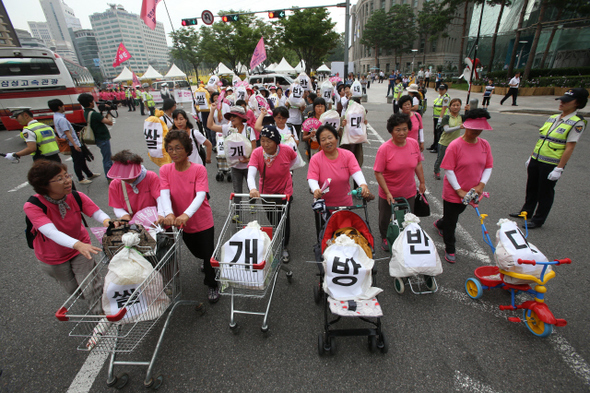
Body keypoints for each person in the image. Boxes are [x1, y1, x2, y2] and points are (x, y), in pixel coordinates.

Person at [24, 160, 114, 313]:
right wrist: (77, 244)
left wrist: (107, 221)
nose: (67, 181)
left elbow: (95, 212)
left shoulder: (75, 196)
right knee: (73, 288)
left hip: (81, 248)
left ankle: (105, 318)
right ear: (44, 185)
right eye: (59, 178)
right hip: (53, 255)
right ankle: (98, 303)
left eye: (66, 175)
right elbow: (50, 232)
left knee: (91, 286)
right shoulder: (33, 205)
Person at [509, 88, 588, 229]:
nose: (562, 103)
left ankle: (538, 219)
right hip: (537, 158)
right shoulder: (553, 117)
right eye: (562, 99)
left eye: (567, 101)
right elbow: (542, 139)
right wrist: (531, 156)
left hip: (551, 163)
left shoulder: (577, 122)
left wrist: (559, 168)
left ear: (578, 103)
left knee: (545, 192)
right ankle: (526, 211)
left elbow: (569, 147)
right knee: (531, 187)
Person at [158, 130, 219, 303]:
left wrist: (186, 214)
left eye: (178, 148)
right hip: (180, 222)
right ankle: (210, 261)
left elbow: (201, 195)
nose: (174, 152)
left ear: (187, 150)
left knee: (207, 255)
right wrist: (169, 213)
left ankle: (212, 284)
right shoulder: (165, 170)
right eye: (170, 149)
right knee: (197, 252)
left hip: (202, 220)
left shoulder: (198, 170)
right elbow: (164, 193)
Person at [434, 109, 493, 263]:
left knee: (456, 213)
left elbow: (488, 166)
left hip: (473, 191)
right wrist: (459, 190)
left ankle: (441, 223)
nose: (477, 132)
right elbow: (448, 169)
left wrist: (481, 185)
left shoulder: (485, 145)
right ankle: (450, 247)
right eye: (474, 128)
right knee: (452, 222)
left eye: (480, 129)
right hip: (454, 192)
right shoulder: (455, 145)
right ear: (466, 126)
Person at [374, 113, 426, 250]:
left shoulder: (413, 144)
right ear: (391, 131)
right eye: (398, 129)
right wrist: (387, 193)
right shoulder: (384, 149)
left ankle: (404, 236)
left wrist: (422, 182)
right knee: (385, 218)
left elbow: (418, 164)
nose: (402, 133)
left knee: (407, 216)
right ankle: (385, 237)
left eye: (404, 129)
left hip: (408, 190)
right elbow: (378, 173)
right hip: (389, 192)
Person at [308, 124, 371, 236]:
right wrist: (316, 189)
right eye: (323, 139)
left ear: (336, 138)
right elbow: (312, 178)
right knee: (326, 237)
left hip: (344, 205)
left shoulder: (348, 155)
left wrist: (363, 185)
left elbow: (356, 172)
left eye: (330, 137)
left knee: (345, 236)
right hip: (324, 206)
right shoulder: (316, 159)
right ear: (319, 142)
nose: (327, 142)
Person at [247, 126, 297, 261]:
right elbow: (251, 174)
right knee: (273, 218)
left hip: (284, 191)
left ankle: (284, 246)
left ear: (276, 141)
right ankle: (278, 235)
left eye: (269, 141)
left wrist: (288, 171)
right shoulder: (257, 153)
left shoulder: (286, 150)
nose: (265, 144)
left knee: (284, 219)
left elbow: (294, 161)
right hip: (266, 193)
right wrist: (252, 188)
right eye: (262, 141)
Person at [207, 104, 257, 210]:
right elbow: (210, 126)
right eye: (230, 116)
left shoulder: (248, 130)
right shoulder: (227, 128)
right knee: (237, 190)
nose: (232, 118)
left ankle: (252, 204)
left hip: (248, 166)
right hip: (235, 167)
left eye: (235, 116)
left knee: (250, 186)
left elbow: (254, 148)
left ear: (241, 118)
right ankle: (237, 214)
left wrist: (248, 160)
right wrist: (212, 110)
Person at [49, 99, 99, 184]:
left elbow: (56, 130)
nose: (64, 107)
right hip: (72, 143)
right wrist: (75, 145)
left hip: (72, 142)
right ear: (59, 107)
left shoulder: (56, 116)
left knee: (82, 158)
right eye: (62, 105)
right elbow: (67, 133)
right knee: (77, 161)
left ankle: (89, 174)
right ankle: (81, 178)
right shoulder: (61, 119)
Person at [108, 150, 163, 221]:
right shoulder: (115, 184)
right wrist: (124, 215)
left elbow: (160, 198)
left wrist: (160, 214)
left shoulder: (150, 177)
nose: (126, 178)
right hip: (133, 223)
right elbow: (117, 206)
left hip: (154, 220)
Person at [78, 93, 113, 179]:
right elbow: (109, 122)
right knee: (107, 159)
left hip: (97, 138)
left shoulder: (86, 112)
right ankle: (110, 177)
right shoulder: (94, 114)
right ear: (90, 102)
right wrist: (108, 112)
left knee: (107, 157)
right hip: (102, 138)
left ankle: (112, 174)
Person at [434, 98, 468, 180]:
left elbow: (472, 119)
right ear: (450, 107)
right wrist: (459, 127)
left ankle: (454, 172)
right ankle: (436, 170)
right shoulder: (447, 117)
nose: (456, 107)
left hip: (456, 143)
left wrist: (469, 110)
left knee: (456, 159)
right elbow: (447, 130)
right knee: (440, 158)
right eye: (453, 105)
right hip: (444, 142)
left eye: (458, 105)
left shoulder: (461, 117)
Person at [428, 84, 451, 153]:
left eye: (442, 89)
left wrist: (440, 118)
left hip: (441, 117)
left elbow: (444, 108)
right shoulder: (439, 96)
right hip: (436, 116)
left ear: (446, 90)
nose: (440, 91)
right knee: (435, 132)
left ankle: (437, 148)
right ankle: (434, 145)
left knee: (439, 133)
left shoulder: (445, 98)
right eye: (439, 89)